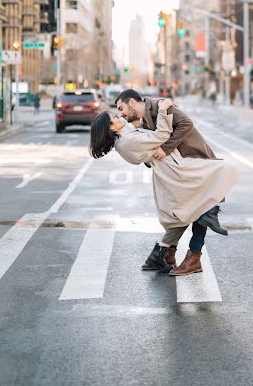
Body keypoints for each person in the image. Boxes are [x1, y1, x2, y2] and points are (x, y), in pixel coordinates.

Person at [90, 98, 237, 276]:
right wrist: (163, 110)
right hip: (174, 170)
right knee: (209, 191)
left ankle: (163, 254)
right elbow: (162, 135)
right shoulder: (128, 141)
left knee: (186, 211)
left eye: (119, 111)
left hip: (167, 171)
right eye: (115, 115)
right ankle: (193, 253)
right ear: (111, 127)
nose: (119, 115)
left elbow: (143, 137)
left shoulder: (123, 140)